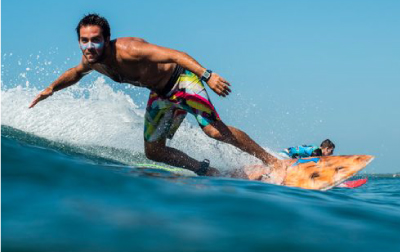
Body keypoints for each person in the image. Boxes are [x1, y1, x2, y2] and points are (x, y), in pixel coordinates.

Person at [30, 13, 285, 180]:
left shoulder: (131, 49)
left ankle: (274, 162)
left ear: (106, 39)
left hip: (181, 80)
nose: (89, 46)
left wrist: (208, 75)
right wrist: (51, 88)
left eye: (95, 40)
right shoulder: (93, 61)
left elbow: (176, 55)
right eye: (84, 41)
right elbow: (75, 73)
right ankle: (207, 171)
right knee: (154, 151)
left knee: (214, 131)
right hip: (161, 94)